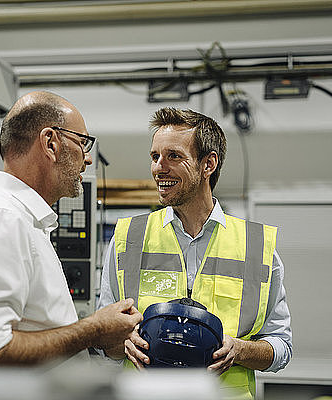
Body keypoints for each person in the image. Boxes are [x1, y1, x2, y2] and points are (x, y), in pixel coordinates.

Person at [98, 107, 292, 399]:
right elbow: (104, 341)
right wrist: (123, 343)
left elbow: (281, 346)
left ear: (208, 164)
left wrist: (239, 350)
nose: (158, 168)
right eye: (155, 156)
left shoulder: (257, 246)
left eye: (173, 156)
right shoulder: (128, 239)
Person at [0, 91, 142, 373]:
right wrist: (93, 329)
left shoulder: (24, 221)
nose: (87, 159)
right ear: (50, 143)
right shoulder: (0, 218)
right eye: (82, 143)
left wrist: (102, 340)